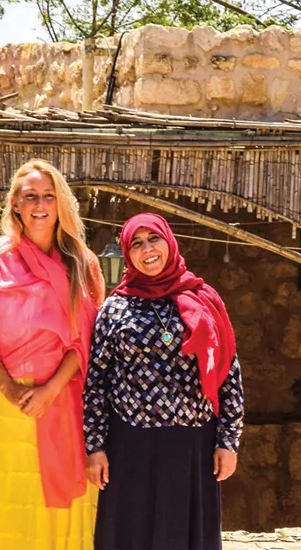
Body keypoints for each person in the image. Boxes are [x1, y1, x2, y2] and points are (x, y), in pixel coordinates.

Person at [0, 160, 104, 550]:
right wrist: (9, 388)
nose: (39, 204)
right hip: (4, 402)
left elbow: (87, 338)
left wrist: (49, 390)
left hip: (62, 398)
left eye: (48, 196)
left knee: (56, 507)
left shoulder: (81, 262)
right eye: (30, 196)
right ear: (15, 204)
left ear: (60, 203)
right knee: (4, 501)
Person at [84, 214, 244, 550]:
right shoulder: (115, 308)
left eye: (153, 239)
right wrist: (95, 447)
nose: (147, 249)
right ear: (128, 253)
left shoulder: (204, 299)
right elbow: (96, 382)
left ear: (169, 242)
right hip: (131, 446)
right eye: (137, 243)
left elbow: (227, 371)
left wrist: (228, 441)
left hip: (192, 446)